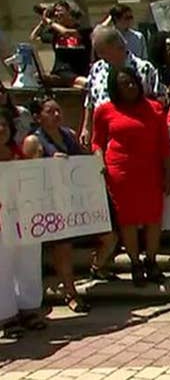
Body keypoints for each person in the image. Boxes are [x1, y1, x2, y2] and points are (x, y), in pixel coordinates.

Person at [92, 66, 170, 286]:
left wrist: (168, 174)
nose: (129, 87)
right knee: (128, 220)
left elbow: (165, 144)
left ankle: (151, 260)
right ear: (114, 88)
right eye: (123, 84)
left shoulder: (155, 108)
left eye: (131, 82)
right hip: (120, 172)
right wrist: (99, 162)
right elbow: (97, 142)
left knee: (153, 218)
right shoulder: (104, 111)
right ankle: (135, 262)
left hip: (150, 170)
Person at [21, 95, 91, 313]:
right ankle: (70, 292)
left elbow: (83, 160)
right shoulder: (33, 141)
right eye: (50, 111)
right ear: (37, 117)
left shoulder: (69, 134)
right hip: (51, 205)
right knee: (63, 248)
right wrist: (48, 164)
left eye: (58, 110)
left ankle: (97, 267)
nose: (57, 115)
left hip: (76, 201)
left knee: (110, 236)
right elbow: (26, 175)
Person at [0, 109, 46, 338]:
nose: (1, 130)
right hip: (1, 221)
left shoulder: (20, 153)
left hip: (23, 218)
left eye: (4, 125)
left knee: (28, 261)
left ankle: (28, 308)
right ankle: (5, 315)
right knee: (2, 266)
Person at [80, 26, 161, 148]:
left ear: (119, 47)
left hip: (136, 135)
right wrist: (86, 127)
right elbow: (90, 100)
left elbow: (157, 103)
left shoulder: (144, 69)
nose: (99, 55)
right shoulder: (97, 69)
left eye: (102, 51)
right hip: (104, 137)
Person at [30, 0, 92, 88]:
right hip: (60, 73)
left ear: (70, 12)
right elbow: (34, 38)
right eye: (55, 12)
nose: (56, 14)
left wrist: (50, 22)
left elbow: (66, 33)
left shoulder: (84, 31)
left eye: (59, 11)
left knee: (81, 83)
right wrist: (43, 23)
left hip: (80, 73)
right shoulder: (54, 33)